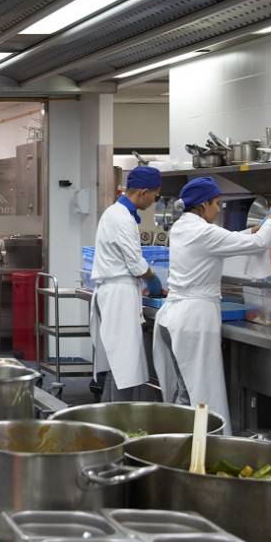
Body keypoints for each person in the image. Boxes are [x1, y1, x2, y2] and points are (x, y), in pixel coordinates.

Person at [152, 177, 271, 434]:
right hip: (192, 321)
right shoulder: (203, 232)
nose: (218, 209)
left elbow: (229, 239)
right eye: (216, 203)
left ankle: (181, 445)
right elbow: (257, 245)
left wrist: (257, 228)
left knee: (186, 392)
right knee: (200, 394)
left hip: (174, 318)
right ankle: (200, 448)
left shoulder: (183, 226)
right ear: (203, 205)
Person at [89, 165, 163, 401]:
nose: (154, 201)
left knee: (117, 366)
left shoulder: (114, 213)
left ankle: (109, 417)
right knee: (125, 367)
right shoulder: (123, 219)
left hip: (112, 292)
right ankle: (120, 419)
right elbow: (136, 264)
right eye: (155, 196)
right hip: (118, 297)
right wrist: (153, 280)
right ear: (143, 192)